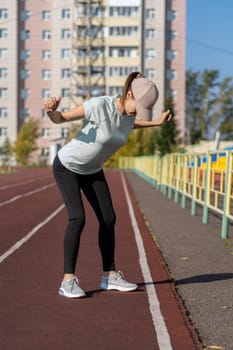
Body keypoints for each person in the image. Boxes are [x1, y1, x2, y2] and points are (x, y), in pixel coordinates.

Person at [44, 71, 172, 298]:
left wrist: (155, 123)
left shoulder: (130, 114)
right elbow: (61, 118)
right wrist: (51, 111)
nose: (136, 113)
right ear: (129, 93)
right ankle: (68, 281)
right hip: (67, 166)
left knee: (108, 218)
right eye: (137, 106)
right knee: (78, 218)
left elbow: (131, 124)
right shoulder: (98, 106)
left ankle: (109, 276)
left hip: (92, 170)